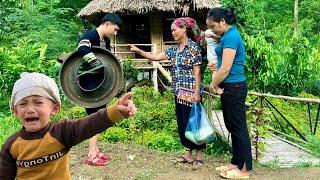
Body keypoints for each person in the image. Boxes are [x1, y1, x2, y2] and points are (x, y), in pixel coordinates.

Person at [0, 72, 136, 179]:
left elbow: (90, 124)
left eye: (38, 102)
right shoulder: (12, 144)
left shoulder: (61, 132)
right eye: (23, 104)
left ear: (54, 108)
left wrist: (117, 111)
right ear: (15, 110)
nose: (30, 109)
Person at [129, 17, 205, 167]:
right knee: (183, 123)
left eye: (174, 29)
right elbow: (156, 57)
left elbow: (197, 72)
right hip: (178, 92)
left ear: (184, 29)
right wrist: (139, 51)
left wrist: (197, 92)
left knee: (194, 123)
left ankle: (200, 156)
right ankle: (188, 154)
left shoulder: (193, 48)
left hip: (191, 92)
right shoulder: (173, 50)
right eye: (171, 30)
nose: (172, 32)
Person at [207, 8, 252, 179]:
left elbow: (226, 68)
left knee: (239, 127)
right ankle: (236, 163)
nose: (212, 30)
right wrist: (214, 37)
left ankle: (245, 169)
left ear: (223, 22)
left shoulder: (232, 36)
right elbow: (222, 64)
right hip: (230, 86)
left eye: (213, 26)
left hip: (235, 86)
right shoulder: (226, 35)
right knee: (232, 126)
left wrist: (213, 84)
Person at [76, 13, 122, 166]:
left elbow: (108, 58)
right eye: (114, 29)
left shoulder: (106, 41)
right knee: (94, 119)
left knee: (99, 117)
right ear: (107, 24)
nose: (115, 33)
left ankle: (95, 151)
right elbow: (82, 49)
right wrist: (97, 63)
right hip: (88, 85)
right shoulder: (90, 35)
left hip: (100, 85)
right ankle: (91, 155)